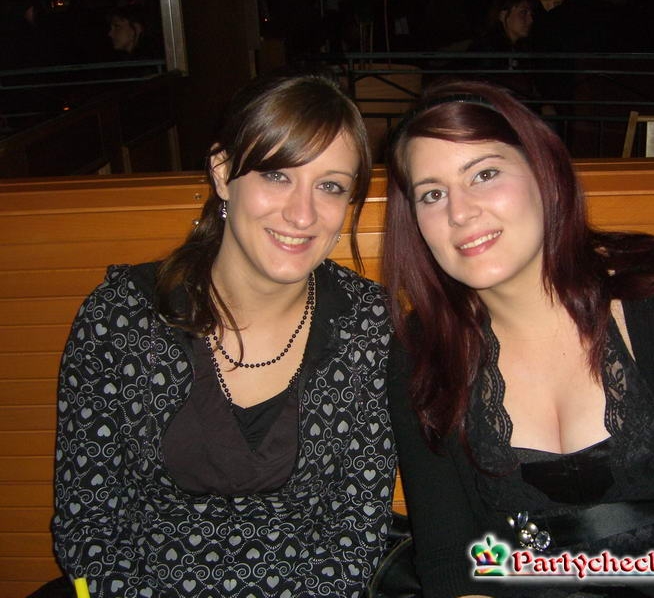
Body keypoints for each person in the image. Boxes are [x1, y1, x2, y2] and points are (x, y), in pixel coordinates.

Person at [382, 79, 654, 597]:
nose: (460, 212)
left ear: (544, 173)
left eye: (484, 174)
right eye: (432, 194)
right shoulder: (422, 352)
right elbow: (450, 563)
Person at [51, 74, 396, 597]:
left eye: (329, 186)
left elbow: (356, 527)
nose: (302, 214)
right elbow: (88, 525)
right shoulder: (121, 317)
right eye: (277, 175)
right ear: (222, 172)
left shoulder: (366, 323)